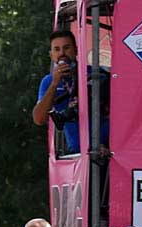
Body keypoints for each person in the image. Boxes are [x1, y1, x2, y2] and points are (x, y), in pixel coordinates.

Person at [32, 29, 109, 157]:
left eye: (66, 48)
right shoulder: (48, 81)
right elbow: (39, 119)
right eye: (57, 50)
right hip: (77, 154)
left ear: (76, 50)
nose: (62, 53)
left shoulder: (95, 74)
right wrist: (55, 84)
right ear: (51, 55)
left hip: (105, 150)